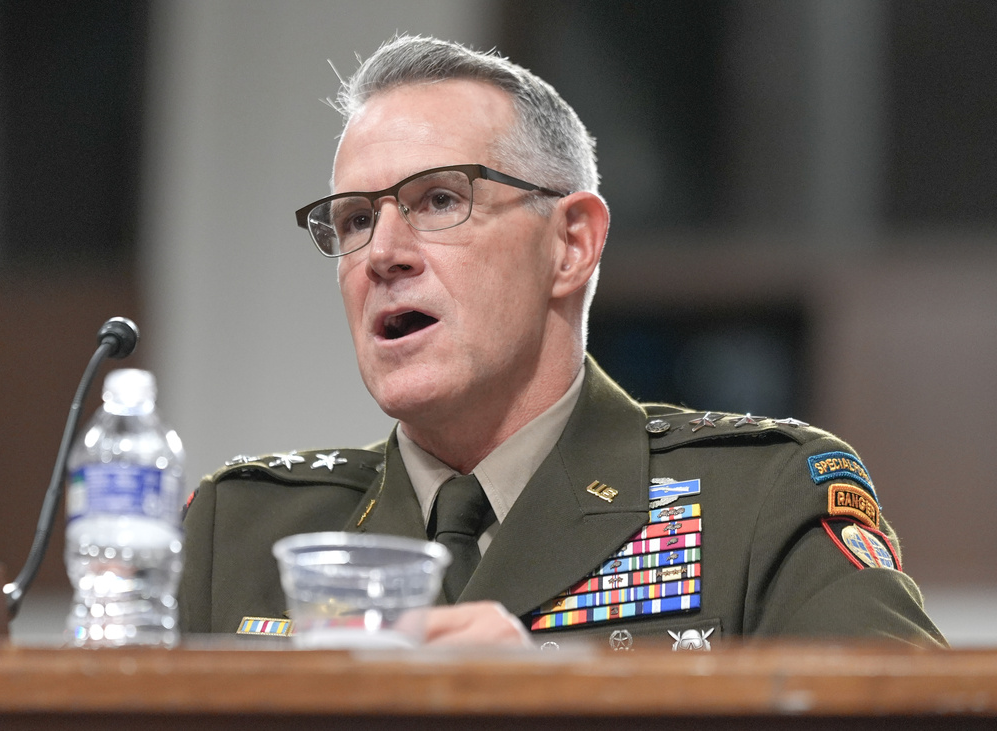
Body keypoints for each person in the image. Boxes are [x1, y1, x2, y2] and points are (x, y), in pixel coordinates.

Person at [179, 35, 946, 650]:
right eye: (353, 220)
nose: (382, 253)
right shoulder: (239, 532)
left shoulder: (763, 501)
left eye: (439, 199)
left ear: (572, 244)